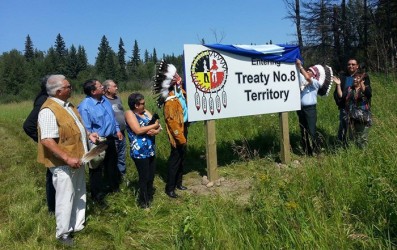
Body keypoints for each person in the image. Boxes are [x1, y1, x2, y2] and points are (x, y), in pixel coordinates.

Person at [37, 74, 98, 246]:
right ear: (58, 91)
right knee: (65, 197)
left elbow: (77, 126)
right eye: (68, 86)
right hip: (63, 164)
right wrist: (67, 158)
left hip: (78, 159)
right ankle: (63, 234)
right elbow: (47, 141)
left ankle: (77, 225)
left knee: (79, 192)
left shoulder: (68, 106)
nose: (71, 88)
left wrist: (88, 135)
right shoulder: (48, 110)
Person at [78, 79, 123, 204]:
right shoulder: (85, 106)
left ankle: (113, 187)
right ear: (93, 91)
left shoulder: (105, 101)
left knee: (112, 164)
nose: (103, 87)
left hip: (110, 138)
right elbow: (86, 127)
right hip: (97, 141)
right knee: (96, 168)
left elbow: (112, 118)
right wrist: (92, 138)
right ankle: (97, 195)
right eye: (100, 86)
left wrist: (117, 130)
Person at [153, 60, 189, 198]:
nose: (178, 77)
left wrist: (180, 85)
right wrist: (179, 137)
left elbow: (185, 98)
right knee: (175, 159)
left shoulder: (178, 92)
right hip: (177, 132)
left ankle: (179, 183)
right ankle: (170, 188)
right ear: (170, 82)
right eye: (175, 77)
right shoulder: (169, 102)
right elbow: (172, 122)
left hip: (184, 126)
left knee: (182, 157)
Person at [23, 75, 56, 214]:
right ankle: (53, 208)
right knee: (52, 175)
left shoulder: (49, 99)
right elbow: (28, 125)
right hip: (52, 145)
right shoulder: (43, 101)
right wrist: (45, 140)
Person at [125, 93, 161, 208]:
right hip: (139, 151)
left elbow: (158, 124)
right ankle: (143, 202)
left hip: (150, 149)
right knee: (144, 176)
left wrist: (157, 130)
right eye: (142, 103)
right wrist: (153, 127)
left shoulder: (145, 112)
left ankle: (149, 197)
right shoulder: (129, 114)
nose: (144, 105)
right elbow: (138, 130)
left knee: (151, 175)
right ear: (136, 105)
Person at [333, 58, 371, 146]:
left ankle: (360, 149)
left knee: (360, 132)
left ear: (357, 66)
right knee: (344, 128)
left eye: (353, 64)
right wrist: (340, 103)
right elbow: (340, 94)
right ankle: (341, 144)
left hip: (361, 110)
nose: (351, 66)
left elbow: (368, 94)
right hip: (345, 108)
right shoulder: (343, 76)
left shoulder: (364, 76)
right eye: (349, 64)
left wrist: (361, 82)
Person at [296, 59, 320, 156]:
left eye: (310, 71)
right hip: (301, 109)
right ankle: (307, 151)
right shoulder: (303, 81)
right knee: (303, 130)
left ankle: (316, 149)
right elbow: (299, 74)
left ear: (314, 74)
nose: (308, 72)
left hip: (310, 109)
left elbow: (307, 77)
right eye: (308, 70)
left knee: (311, 130)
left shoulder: (315, 83)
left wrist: (301, 66)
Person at [103, 80, 127, 177]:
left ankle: (122, 175)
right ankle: (112, 177)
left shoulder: (117, 98)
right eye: (114, 86)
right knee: (112, 157)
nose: (116, 88)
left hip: (122, 132)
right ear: (108, 88)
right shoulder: (103, 100)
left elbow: (122, 111)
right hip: (112, 135)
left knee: (122, 155)